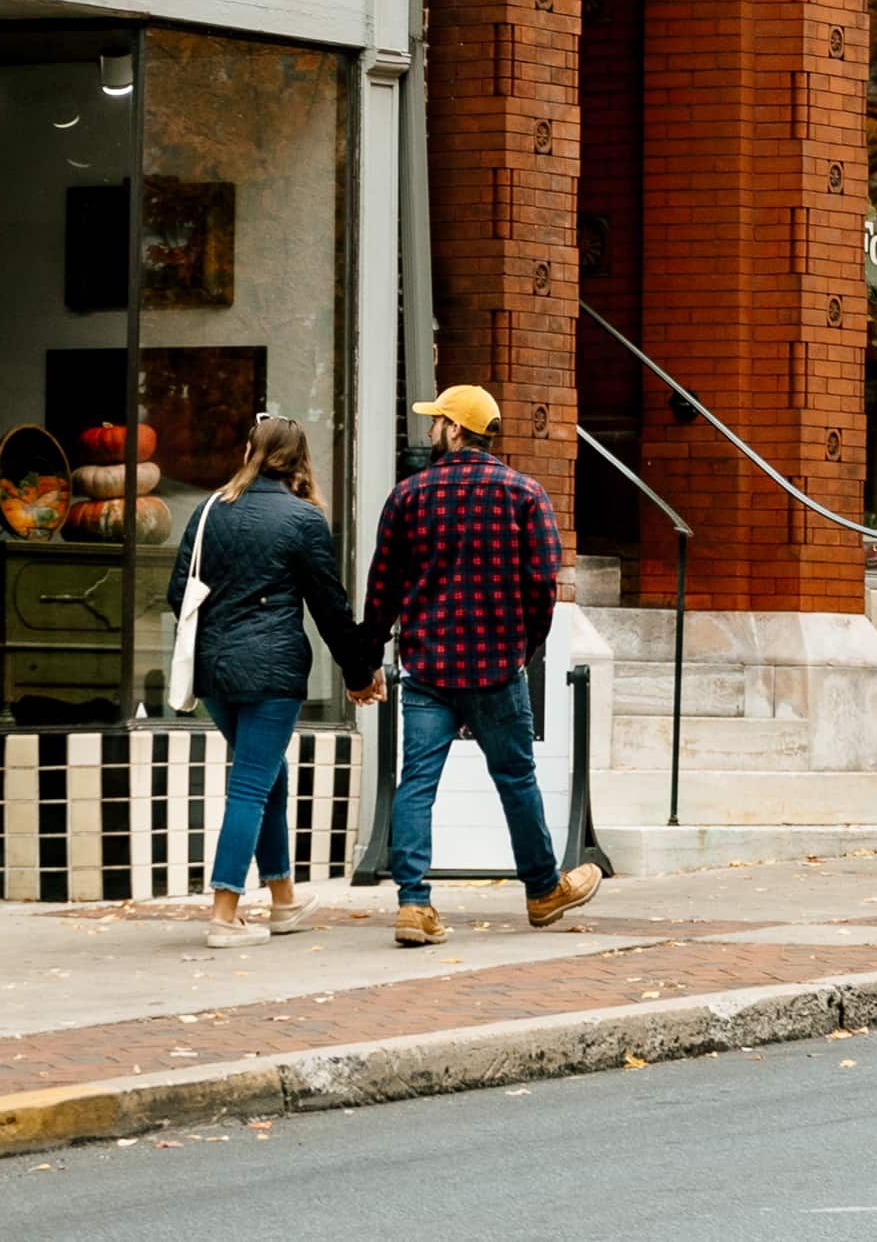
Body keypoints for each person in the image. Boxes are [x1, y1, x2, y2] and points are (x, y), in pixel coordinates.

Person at [358, 383, 599, 944]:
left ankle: (414, 905)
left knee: (417, 782)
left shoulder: (409, 496)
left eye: (436, 421)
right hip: (496, 665)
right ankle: (542, 891)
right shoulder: (525, 494)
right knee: (516, 778)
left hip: (426, 666)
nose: (429, 431)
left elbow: (382, 588)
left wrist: (369, 659)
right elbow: (543, 582)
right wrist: (524, 647)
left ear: (457, 429)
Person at [167, 416, 374, 950]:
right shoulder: (302, 520)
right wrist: (359, 673)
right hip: (271, 672)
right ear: (299, 460)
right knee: (251, 786)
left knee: (266, 774)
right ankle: (224, 913)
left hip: (214, 673)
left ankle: (283, 899)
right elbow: (330, 607)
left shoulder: (209, 510)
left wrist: (221, 633)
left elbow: (177, 593)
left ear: (248, 451)